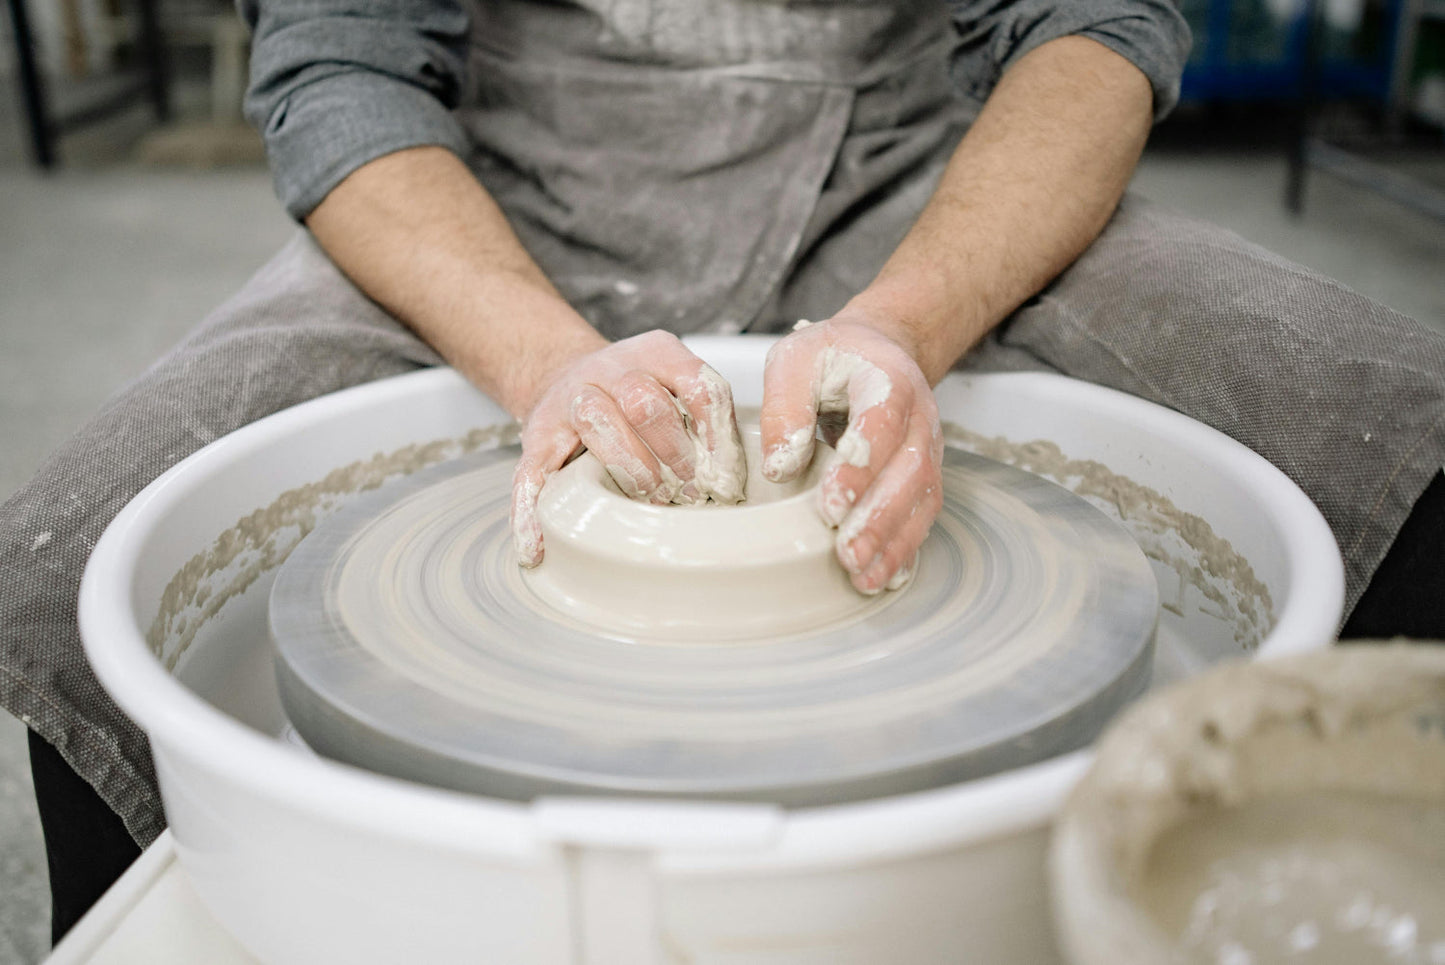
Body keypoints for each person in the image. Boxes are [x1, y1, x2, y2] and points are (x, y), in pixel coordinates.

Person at [4, 0, 1442, 944]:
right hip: (493, 197)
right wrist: (544, 360)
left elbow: (1091, 25)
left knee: (1392, 430)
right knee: (85, 561)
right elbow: (342, 70)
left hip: (908, 181)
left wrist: (908, 323)